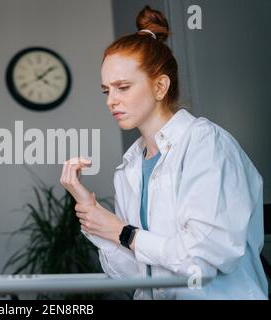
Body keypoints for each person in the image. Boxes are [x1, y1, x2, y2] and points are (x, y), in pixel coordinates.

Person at [60, 5, 268, 299]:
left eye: (123, 87)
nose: (111, 101)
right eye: (107, 90)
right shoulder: (130, 167)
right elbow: (135, 275)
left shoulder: (205, 145)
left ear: (160, 86)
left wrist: (124, 232)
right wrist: (93, 215)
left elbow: (203, 263)